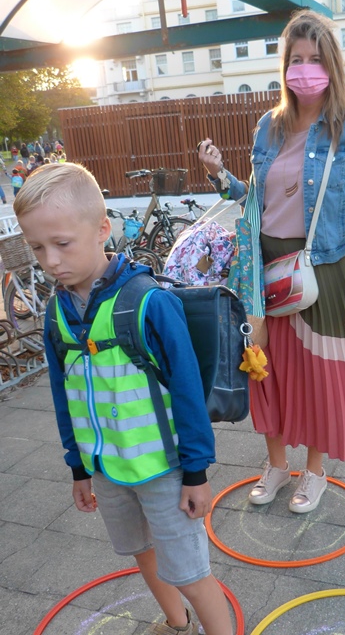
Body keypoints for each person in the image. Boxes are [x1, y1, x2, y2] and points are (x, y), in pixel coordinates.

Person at [13, 163, 232, 635]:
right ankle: (176, 623)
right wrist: (78, 467)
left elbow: (188, 392)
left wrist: (197, 473)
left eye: (62, 243)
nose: (50, 261)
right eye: (37, 248)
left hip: (165, 471)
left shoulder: (149, 302)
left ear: (101, 229)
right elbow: (64, 396)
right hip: (106, 469)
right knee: (141, 553)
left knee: (191, 574)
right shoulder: (56, 313)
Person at [198, 9, 345, 514]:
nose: (304, 69)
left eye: (314, 59)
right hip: (265, 269)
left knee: (319, 378)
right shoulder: (268, 126)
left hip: (321, 271)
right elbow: (256, 202)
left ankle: (314, 471)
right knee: (266, 372)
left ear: (331, 65)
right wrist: (220, 176)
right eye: (295, 59)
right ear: (284, 67)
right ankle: (277, 465)